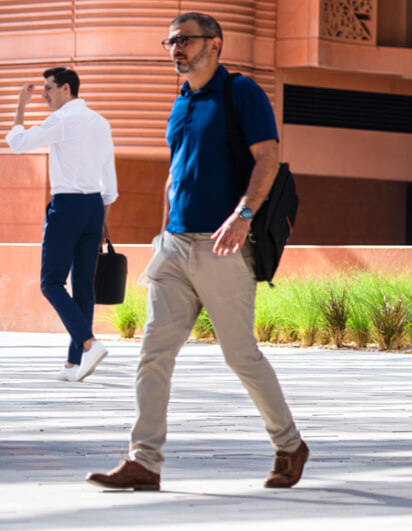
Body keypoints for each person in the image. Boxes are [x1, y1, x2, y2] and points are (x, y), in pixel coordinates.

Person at [86, 12, 307, 491]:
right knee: (152, 353)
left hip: (223, 245)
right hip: (174, 246)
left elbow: (267, 157)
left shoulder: (239, 92)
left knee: (240, 355)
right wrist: (163, 229)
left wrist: (243, 215)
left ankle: (289, 444)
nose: (175, 49)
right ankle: (144, 461)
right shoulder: (181, 100)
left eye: (184, 40)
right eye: (169, 42)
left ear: (215, 44)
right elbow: (176, 172)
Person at [6, 66, 117, 383]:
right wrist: (104, 216)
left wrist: (20, 107)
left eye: (48, 89)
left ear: (66, 89)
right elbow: (109, 173)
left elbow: (18, 143)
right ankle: (73, 364)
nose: (43, 94)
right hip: (94, 206)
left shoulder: (63, 119)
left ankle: (89, 343)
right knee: (83, 284)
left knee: (50, 282)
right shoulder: (100, 122)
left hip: (67, 206)